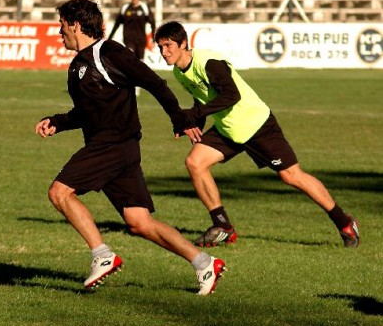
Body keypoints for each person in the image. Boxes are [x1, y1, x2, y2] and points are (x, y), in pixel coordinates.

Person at [35, 0, 226, 295]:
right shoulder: (77, 67)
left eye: (61, 25)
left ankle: (102, 255)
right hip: (115, 148)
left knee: (59, 193)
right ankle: (204, 263)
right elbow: (86, 112)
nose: (59, 32)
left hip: (113, 144)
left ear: (75, 24)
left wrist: (179, 119)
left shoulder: (110, 52)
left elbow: (155, 83)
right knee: (139, 222)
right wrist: (58, 122)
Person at [154, 21, 360, 248]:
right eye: (160, 47)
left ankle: (344, 222)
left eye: (168, 45)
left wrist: (194, 113)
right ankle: (222, 226)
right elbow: (202, 98)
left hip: (256, 124)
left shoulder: (209, 62)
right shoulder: (179, 71)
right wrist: (192, 123)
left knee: (292, 176)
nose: (164, 52)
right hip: (229, 128)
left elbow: (231, 95)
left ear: (184, 43)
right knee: (195, 162)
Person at [107, 0, 156, 96]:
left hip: (141, 41)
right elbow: (117, 24)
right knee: (130, 59)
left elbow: (152, 23)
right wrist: (110, 38)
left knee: (140, 63)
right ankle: (130, 84)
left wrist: (153, 38)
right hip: (129, 40)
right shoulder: (125, 8)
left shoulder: (144, 8)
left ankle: (138, 84)